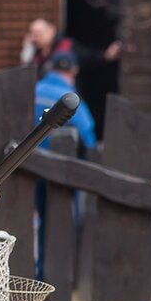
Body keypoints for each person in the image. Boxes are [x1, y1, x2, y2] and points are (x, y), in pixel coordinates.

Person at [33, 51, 96, 281]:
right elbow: (88, 137)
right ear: (73, 71)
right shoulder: (71, 98)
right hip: (60, 176)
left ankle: (30, 276)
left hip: (26, 168)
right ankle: (52, 278)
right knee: (59, 227)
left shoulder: (33, 91)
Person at [20, 17, 121, 77]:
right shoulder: (34, 53)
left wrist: (106, 55)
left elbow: (89, 57)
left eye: (39, 34)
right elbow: (25, 75)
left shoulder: (66, 46)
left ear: (51, 30)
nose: (35, 38)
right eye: (32, 34)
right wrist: (26, 52)